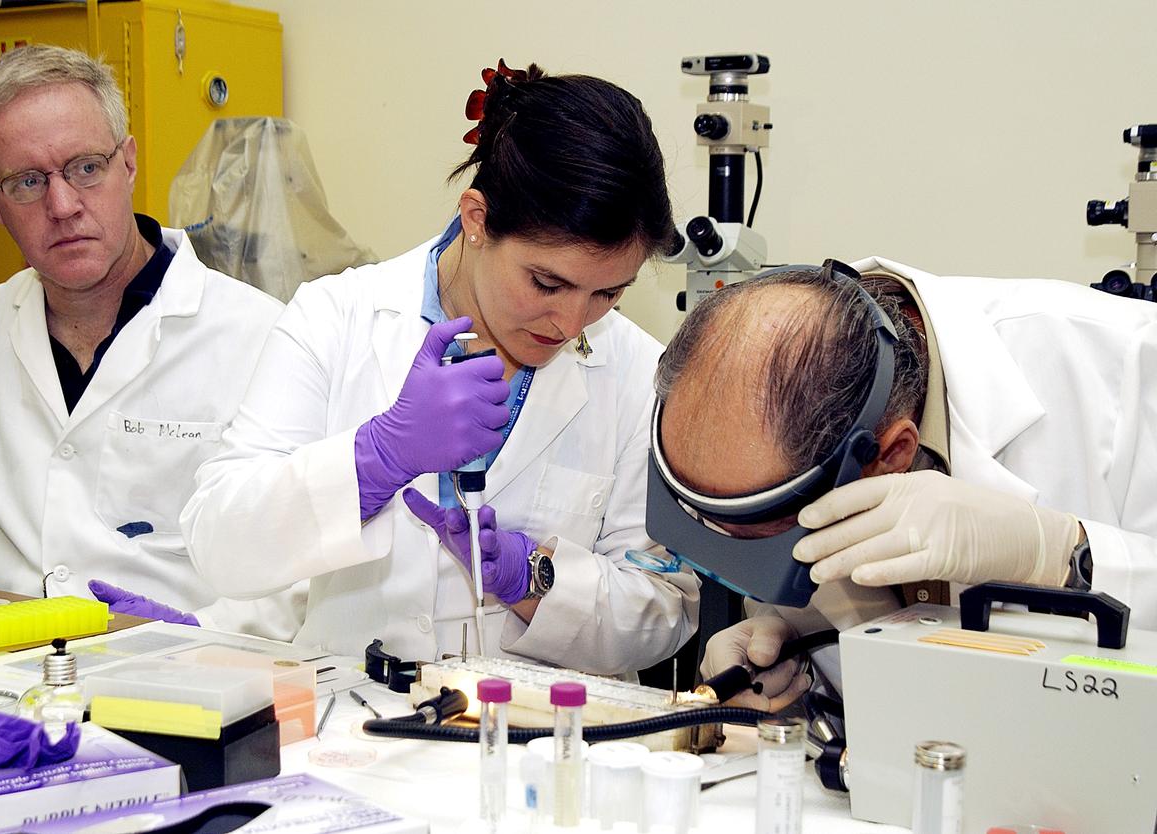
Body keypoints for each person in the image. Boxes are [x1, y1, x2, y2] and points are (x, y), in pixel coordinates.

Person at [182, 60, 698, 673]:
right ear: (477, 219)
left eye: (607, 293)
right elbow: (220, 543)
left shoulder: (639, 371)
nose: (570, 322)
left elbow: (666, 608)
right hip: (353, 728)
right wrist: (379, 456)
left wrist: (530, 574)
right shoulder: (335, 317)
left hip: (540, 741)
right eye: (545, 282)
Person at [0, 44, 306, 640]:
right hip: (0, 680)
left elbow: (304, 571)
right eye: (27, 182)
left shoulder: (261, 336)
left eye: (86, 167)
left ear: (128, 164)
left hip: (187, 683)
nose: (63, 205)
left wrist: (192, 635)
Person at [651, 256, 1157, 707]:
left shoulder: (1127, 361)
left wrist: (1065, 557)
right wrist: (796, 648)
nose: (746, 551)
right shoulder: (774, 370)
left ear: (892, 455)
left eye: (767, 533)